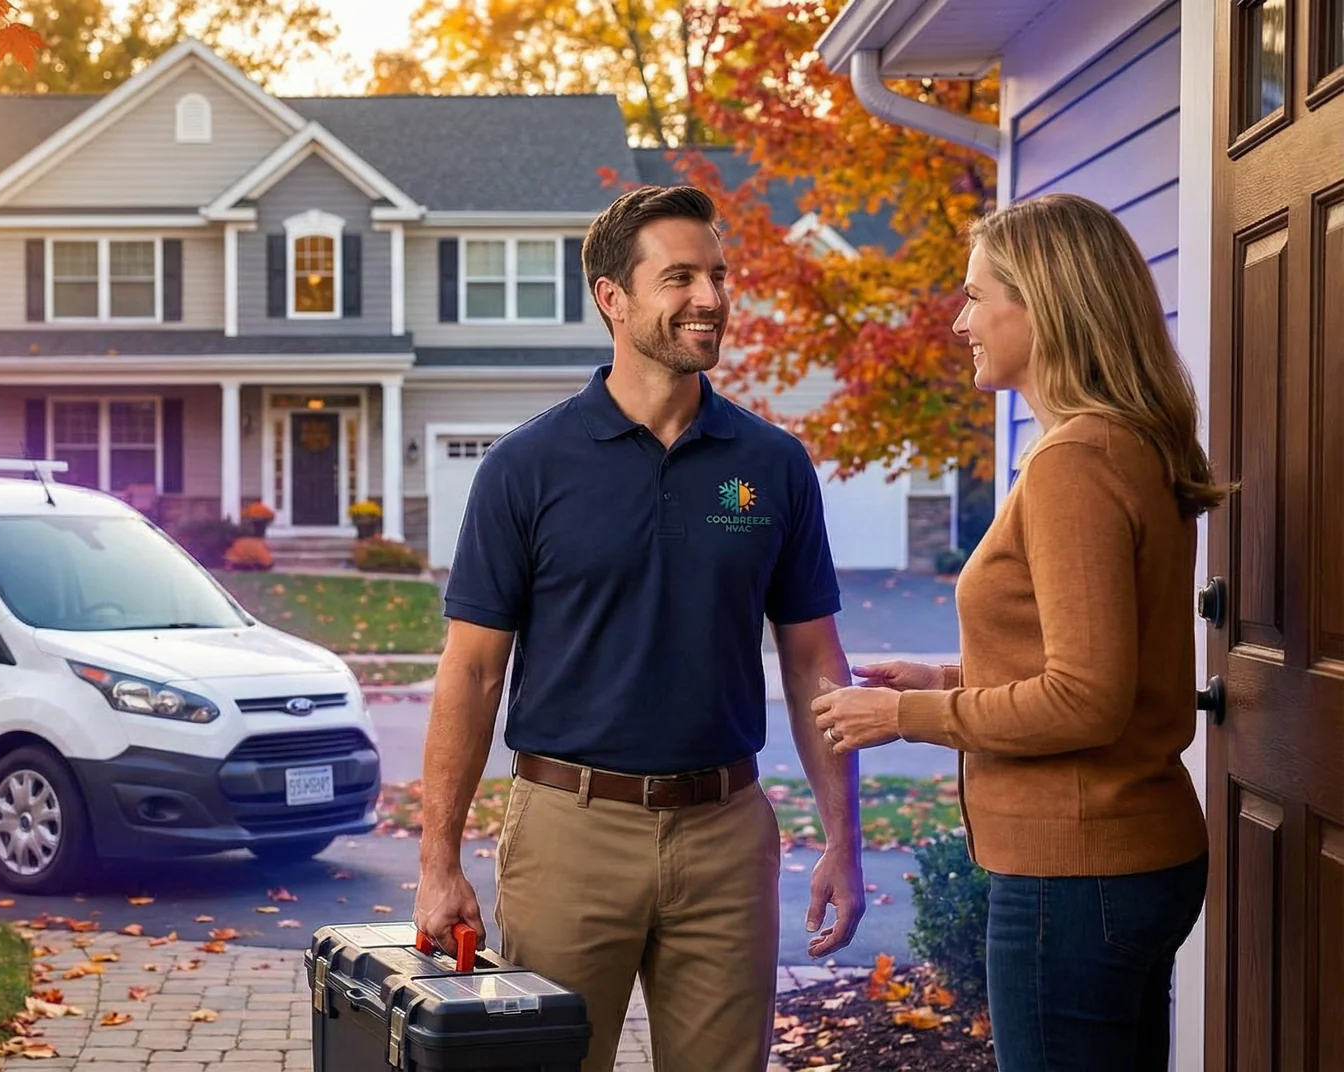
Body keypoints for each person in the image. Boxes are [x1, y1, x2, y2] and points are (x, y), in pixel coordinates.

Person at [412, 184, 867, 1072]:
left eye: (719, 276)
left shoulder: (772, 467)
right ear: (612, 297)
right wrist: (439, 860)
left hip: (727, 832)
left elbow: (816, 663)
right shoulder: (524, 469)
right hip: (568, 831)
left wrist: (842, 842)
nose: (711, 298)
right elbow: (469, 675)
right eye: (681, 277)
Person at [813, 191, 1225, 1072]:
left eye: (974, 296)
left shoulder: (1075, 463)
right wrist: (945, 678)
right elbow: (1092, 655)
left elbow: (1084, 701)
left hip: (1077, 874)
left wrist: (903, 721)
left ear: (1043, 304)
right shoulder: (1124, 446)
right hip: (1128, 860)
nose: (960, 321)